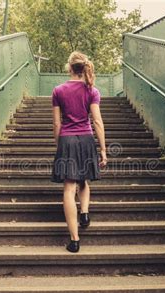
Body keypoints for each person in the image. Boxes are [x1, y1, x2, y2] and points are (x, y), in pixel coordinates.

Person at [50, 51, 107, 253]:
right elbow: (97, 122)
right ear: (83, 68)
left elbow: (57, 123)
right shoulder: (92, 90)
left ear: (69, 68)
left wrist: (60, 145)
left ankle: (74, 240)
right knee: (84, 181)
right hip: (86, 138)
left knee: (69, 188)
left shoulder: (58, 90)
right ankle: (84, 212)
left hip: (67, 139)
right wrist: (103, 149)